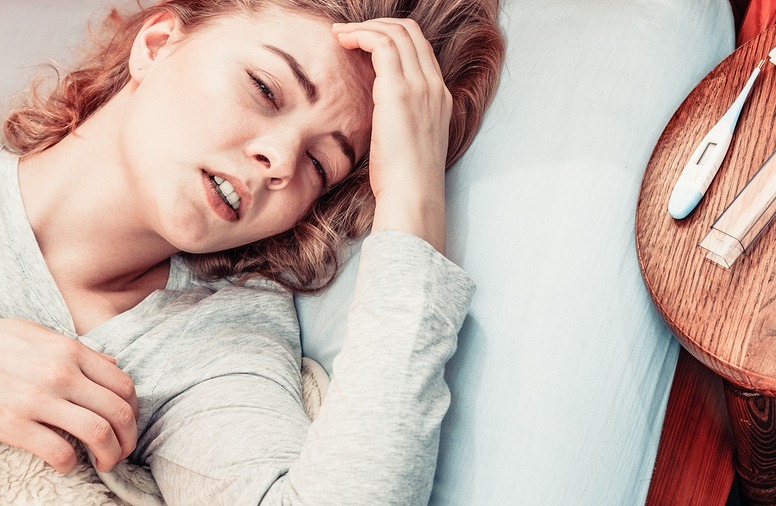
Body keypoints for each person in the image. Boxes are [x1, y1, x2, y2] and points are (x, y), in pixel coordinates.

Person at [0, 0, 503, 503]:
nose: (280, 160)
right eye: (265, 88)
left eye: (319, 163)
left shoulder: (209, 340)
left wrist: (411, 198)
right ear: (157, 44)